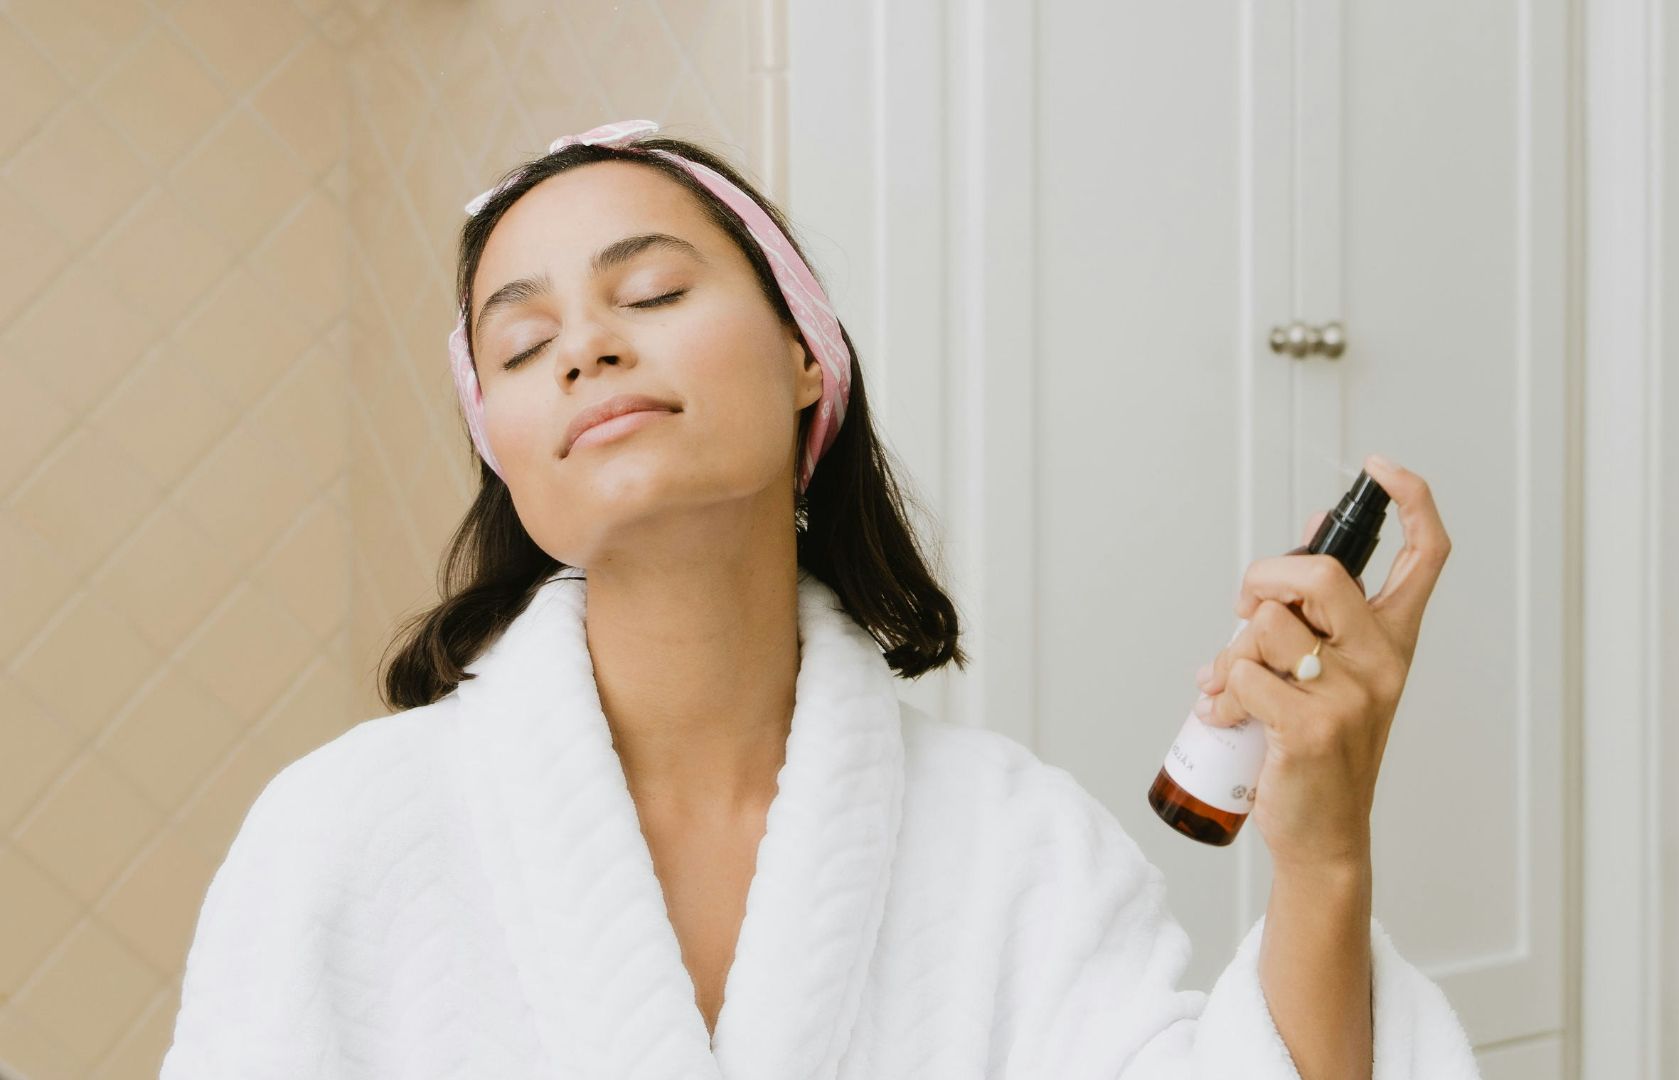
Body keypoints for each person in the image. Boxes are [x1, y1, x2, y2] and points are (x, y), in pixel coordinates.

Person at [158, 119, 1479, 1079]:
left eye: (654, 291)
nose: (586, 346)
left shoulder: (1018, 848)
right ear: (504, 453)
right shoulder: (339, 840)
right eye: (521, 342)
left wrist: (1322, 854)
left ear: (807, 356)